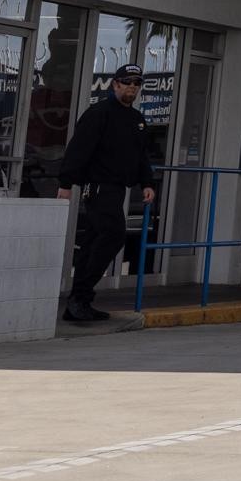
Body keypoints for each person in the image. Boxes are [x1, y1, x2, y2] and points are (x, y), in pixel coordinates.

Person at [55, 64, 155, 323]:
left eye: (137, 83)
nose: (132, 86)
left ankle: (79, 302)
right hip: (98, 185)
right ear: (115, 85)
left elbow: (141, 155)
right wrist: (66, 184)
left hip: (118, 188)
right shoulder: (99, 114)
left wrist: (147, 182)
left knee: (93, 242)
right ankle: (80, 297)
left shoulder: (137, 120)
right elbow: (79, 148)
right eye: (127, 81)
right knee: (113, 235)